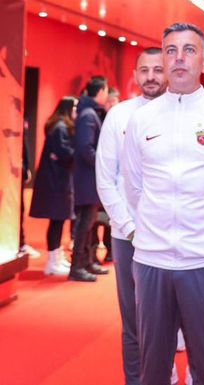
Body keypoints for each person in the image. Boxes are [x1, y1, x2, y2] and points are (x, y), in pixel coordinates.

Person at [122, 23, 204, 385]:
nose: (179, 58)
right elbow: (134, 187)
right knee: (153, 369)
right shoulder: (141, 119)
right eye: (171, 50)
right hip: (151, 261)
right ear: (163, 59)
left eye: (189, 50)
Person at [96, 47, 167, 385]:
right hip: (129, 237)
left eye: (157, 69)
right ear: (135, 75)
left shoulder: (183, 114)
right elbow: (105, 179)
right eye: (144, 70)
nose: (150, 76)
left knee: (177, 320)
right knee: (134, 322)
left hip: (175, 236)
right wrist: (129, 227)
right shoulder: (119, 115)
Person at [29, 97, 78, 276]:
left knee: (58, 221)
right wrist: (77, 152)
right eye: (75, 108)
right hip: (56, 181)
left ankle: (56, 257)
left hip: (56, 180)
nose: (77, 111)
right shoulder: (60, 127)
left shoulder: (58, 126)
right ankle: (52, 261)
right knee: (57, 221)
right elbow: (64, 153)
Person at [71, 75, 110, 282]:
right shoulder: (88, 114)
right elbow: (85, 148)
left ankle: (85, 262)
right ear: (101, 91)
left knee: (88, 223)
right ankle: (77, 266)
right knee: (84, 224)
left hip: (88, 177)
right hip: (87, 178)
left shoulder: (89, 112)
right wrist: (103, 164)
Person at [18, 119, 41, 259]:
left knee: (19, 208)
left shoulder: (21, 119)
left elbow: (23, 145)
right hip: (11, 169)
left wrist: (25, 167)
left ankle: (20, 242)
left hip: (17, 170)